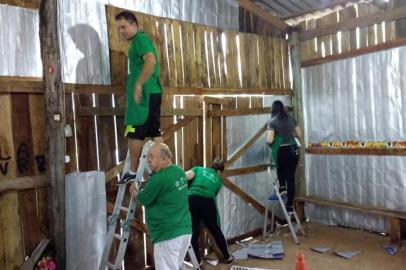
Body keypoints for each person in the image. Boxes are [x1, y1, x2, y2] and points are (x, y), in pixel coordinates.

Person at [115, 11, 163, 184]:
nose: (121, 31)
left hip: (146, 95)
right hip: (153, 93)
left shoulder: (139, 40)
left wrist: (139, 84)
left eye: (124, 27)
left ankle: (133, 172)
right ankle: (163, 169)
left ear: (134, 25)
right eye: (119, 28)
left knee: (135, 132)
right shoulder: (137, 42)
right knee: (154, 132)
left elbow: (151, 61)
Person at [132, 143, 192, 269]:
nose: (148, 160)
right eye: (148, 156)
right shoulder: (178, 170)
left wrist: (134, 191)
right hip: (184, 231)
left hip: (167, 236)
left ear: (164, 159)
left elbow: (143, 199)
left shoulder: (158, 179)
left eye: (152, 157)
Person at [185, 159, 234, 265]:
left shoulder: (198, 169)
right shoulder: (219, 180)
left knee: (193, 232)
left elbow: (186, 176)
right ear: (219, 171)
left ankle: (197, 262)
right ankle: (227, 257)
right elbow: (213, 196)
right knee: (215, 229)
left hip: (191, 198)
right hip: (207, 201)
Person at [266, 100, 302, 212]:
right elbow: (299, 134)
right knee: (291, 178)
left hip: (281, 151)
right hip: (293, 150)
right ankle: (290, 206)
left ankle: (282, 187)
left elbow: (270, 139)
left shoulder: (272, 122)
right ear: (283, 108)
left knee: (279, 167)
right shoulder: (291, 119)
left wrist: (268, 141)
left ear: (273, 109)